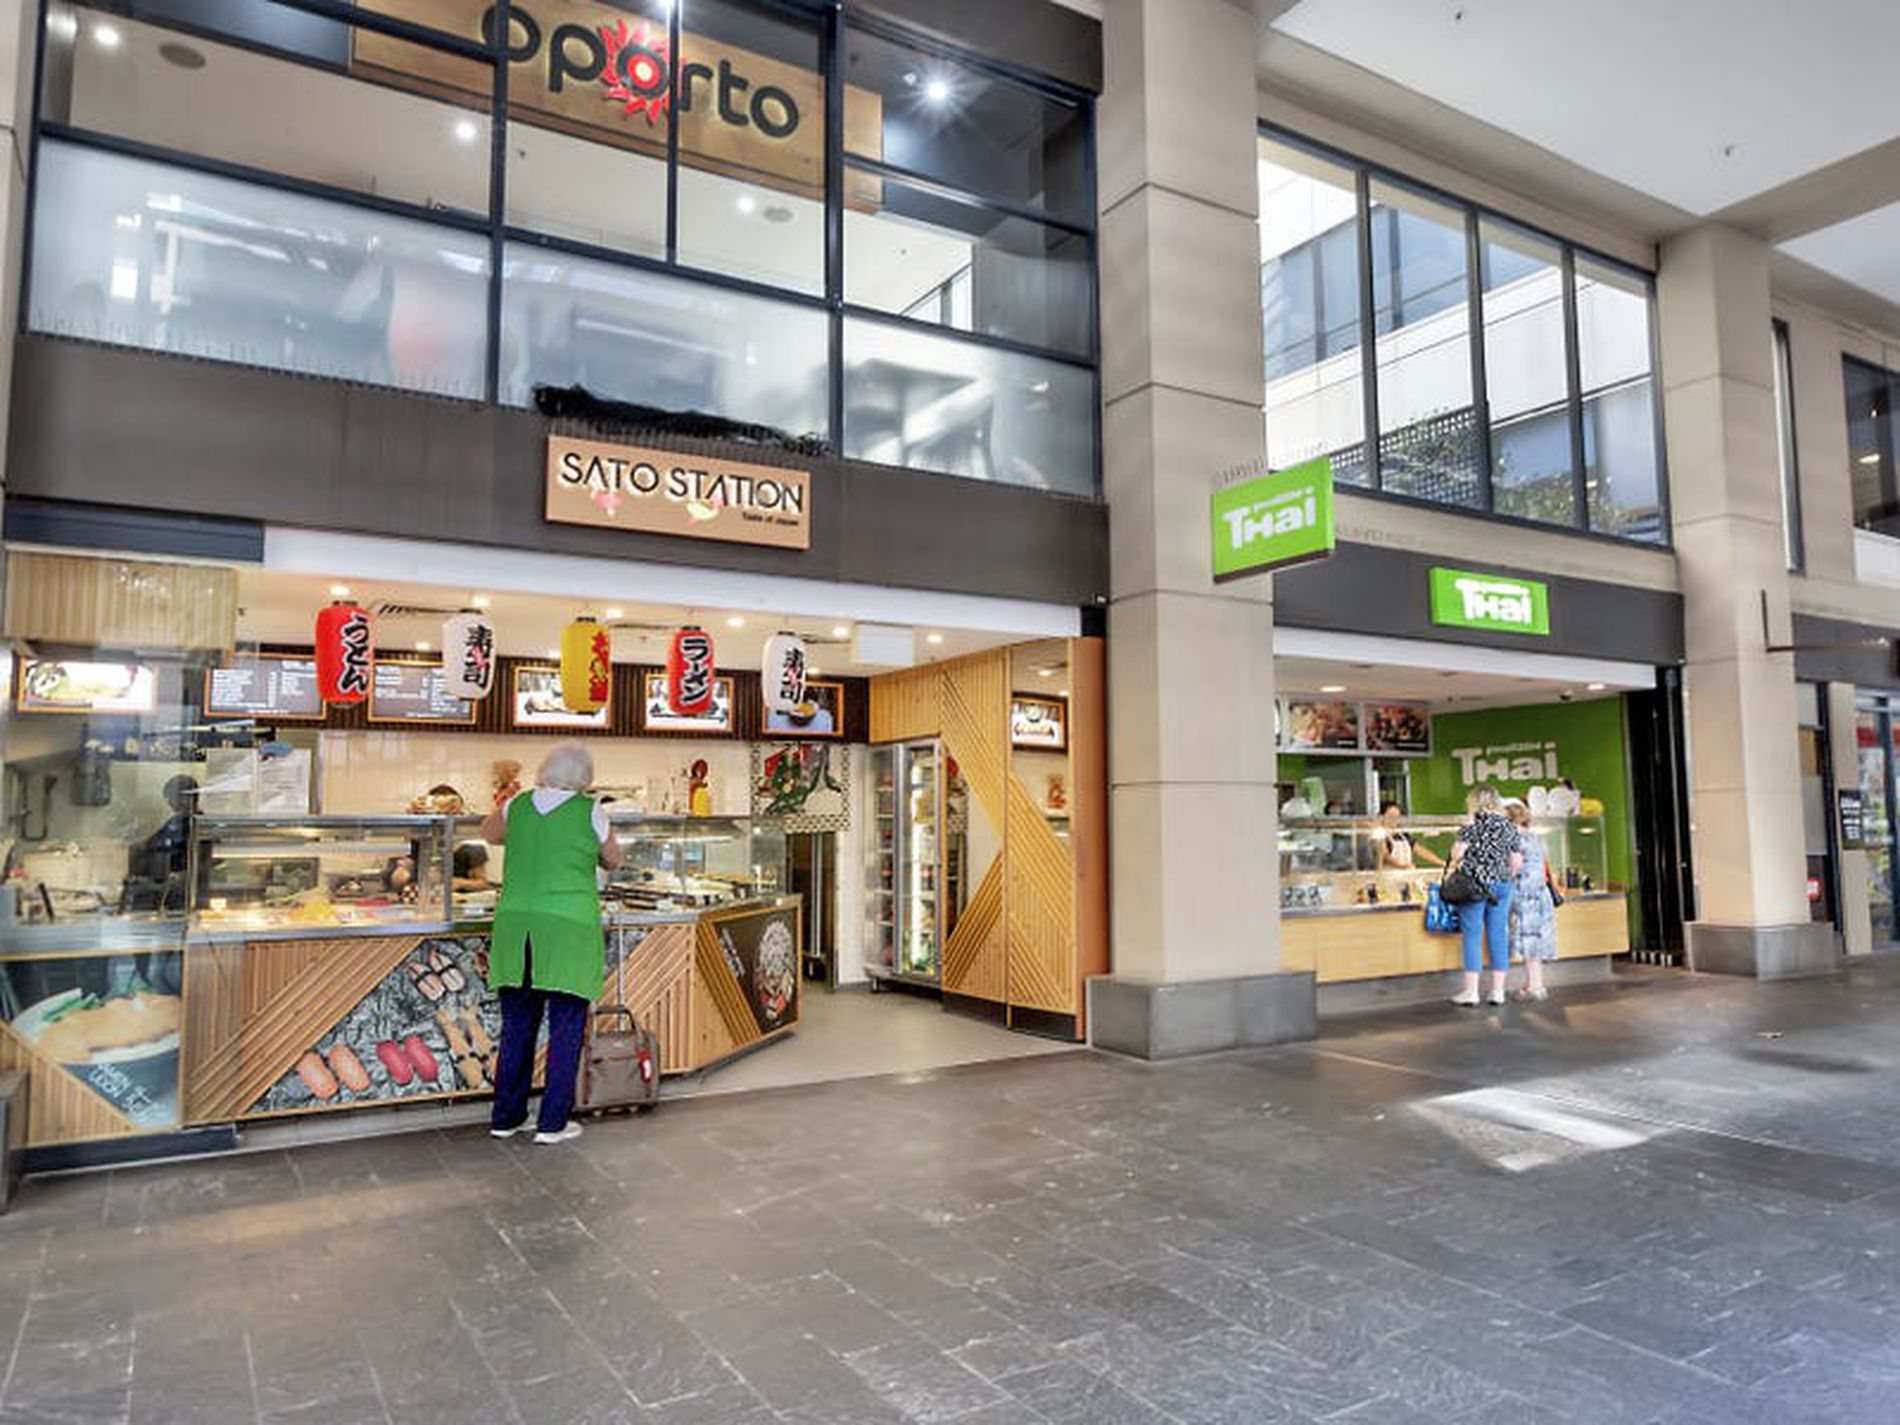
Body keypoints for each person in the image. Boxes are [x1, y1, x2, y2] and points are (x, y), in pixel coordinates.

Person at [481, 742, 621, 1145]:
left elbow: (488, 833)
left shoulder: (518, 804)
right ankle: (552, 1124)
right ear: (585, 777)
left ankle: (506, 1117)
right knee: (565, 1028)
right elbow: (615, 859)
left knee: (517, 1027)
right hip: (567, 927)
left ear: (545, 770)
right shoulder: (590, 810)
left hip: (517, 925)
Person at [1447, 784, 1522, 1007]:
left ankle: (1471, 992)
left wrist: (1461, 849)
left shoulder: (1471, 824)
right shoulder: (1508, 825)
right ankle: (1498, 992)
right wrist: (1503, 875)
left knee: (1472, 935)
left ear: (1474, 801)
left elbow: (1457, 854)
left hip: (1474, 885)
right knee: (1498, 934)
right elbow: (1516, 861)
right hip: (1502, 885)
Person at [1505, 801, 1558, 1001]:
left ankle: (1535, 987)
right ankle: (1535, 984)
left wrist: (1505, 875)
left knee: (1530, 941)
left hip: (1527, 895)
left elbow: (1515, 865)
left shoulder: (1514, 838)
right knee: (1536, 940)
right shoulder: (1535, 837)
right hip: (1540, 893)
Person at [1373, 800, 1444, 870]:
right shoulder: (1379, 834)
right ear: (1382, 816)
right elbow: (1385, 856)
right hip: (1388, 875)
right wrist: (1403, 866)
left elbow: (1420, 850)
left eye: (1397, 817)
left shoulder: (1402, 835)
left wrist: (1443, 863)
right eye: (1391, 816)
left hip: (1406, 874)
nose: (1394, 820)